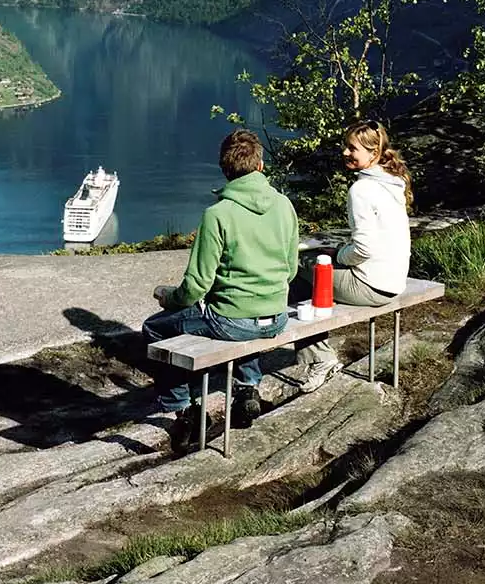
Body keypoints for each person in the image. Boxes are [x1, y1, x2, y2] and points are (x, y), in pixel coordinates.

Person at [143, 128, 299, 454]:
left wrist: (168, 298)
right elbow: (292, 269)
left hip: (233, 320)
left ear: (225, 170)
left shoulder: (217, 215)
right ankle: (247, 389)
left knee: (155, 327)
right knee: (246, 313)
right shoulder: (284, 206)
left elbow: (196, 285)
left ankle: (186, 410)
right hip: (277, 317)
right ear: (260, 166)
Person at [292, 120, 412, 392]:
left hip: (371, 286)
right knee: (318, 267)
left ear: (373, 153)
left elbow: (365, 248)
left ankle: (319, 358)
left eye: (352, 148)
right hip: (393, 280)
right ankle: (316, 352)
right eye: (345, 146)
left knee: (297, 267)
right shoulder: (392, 183)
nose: (345, 153)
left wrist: (339, 256)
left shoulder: (361, 190)